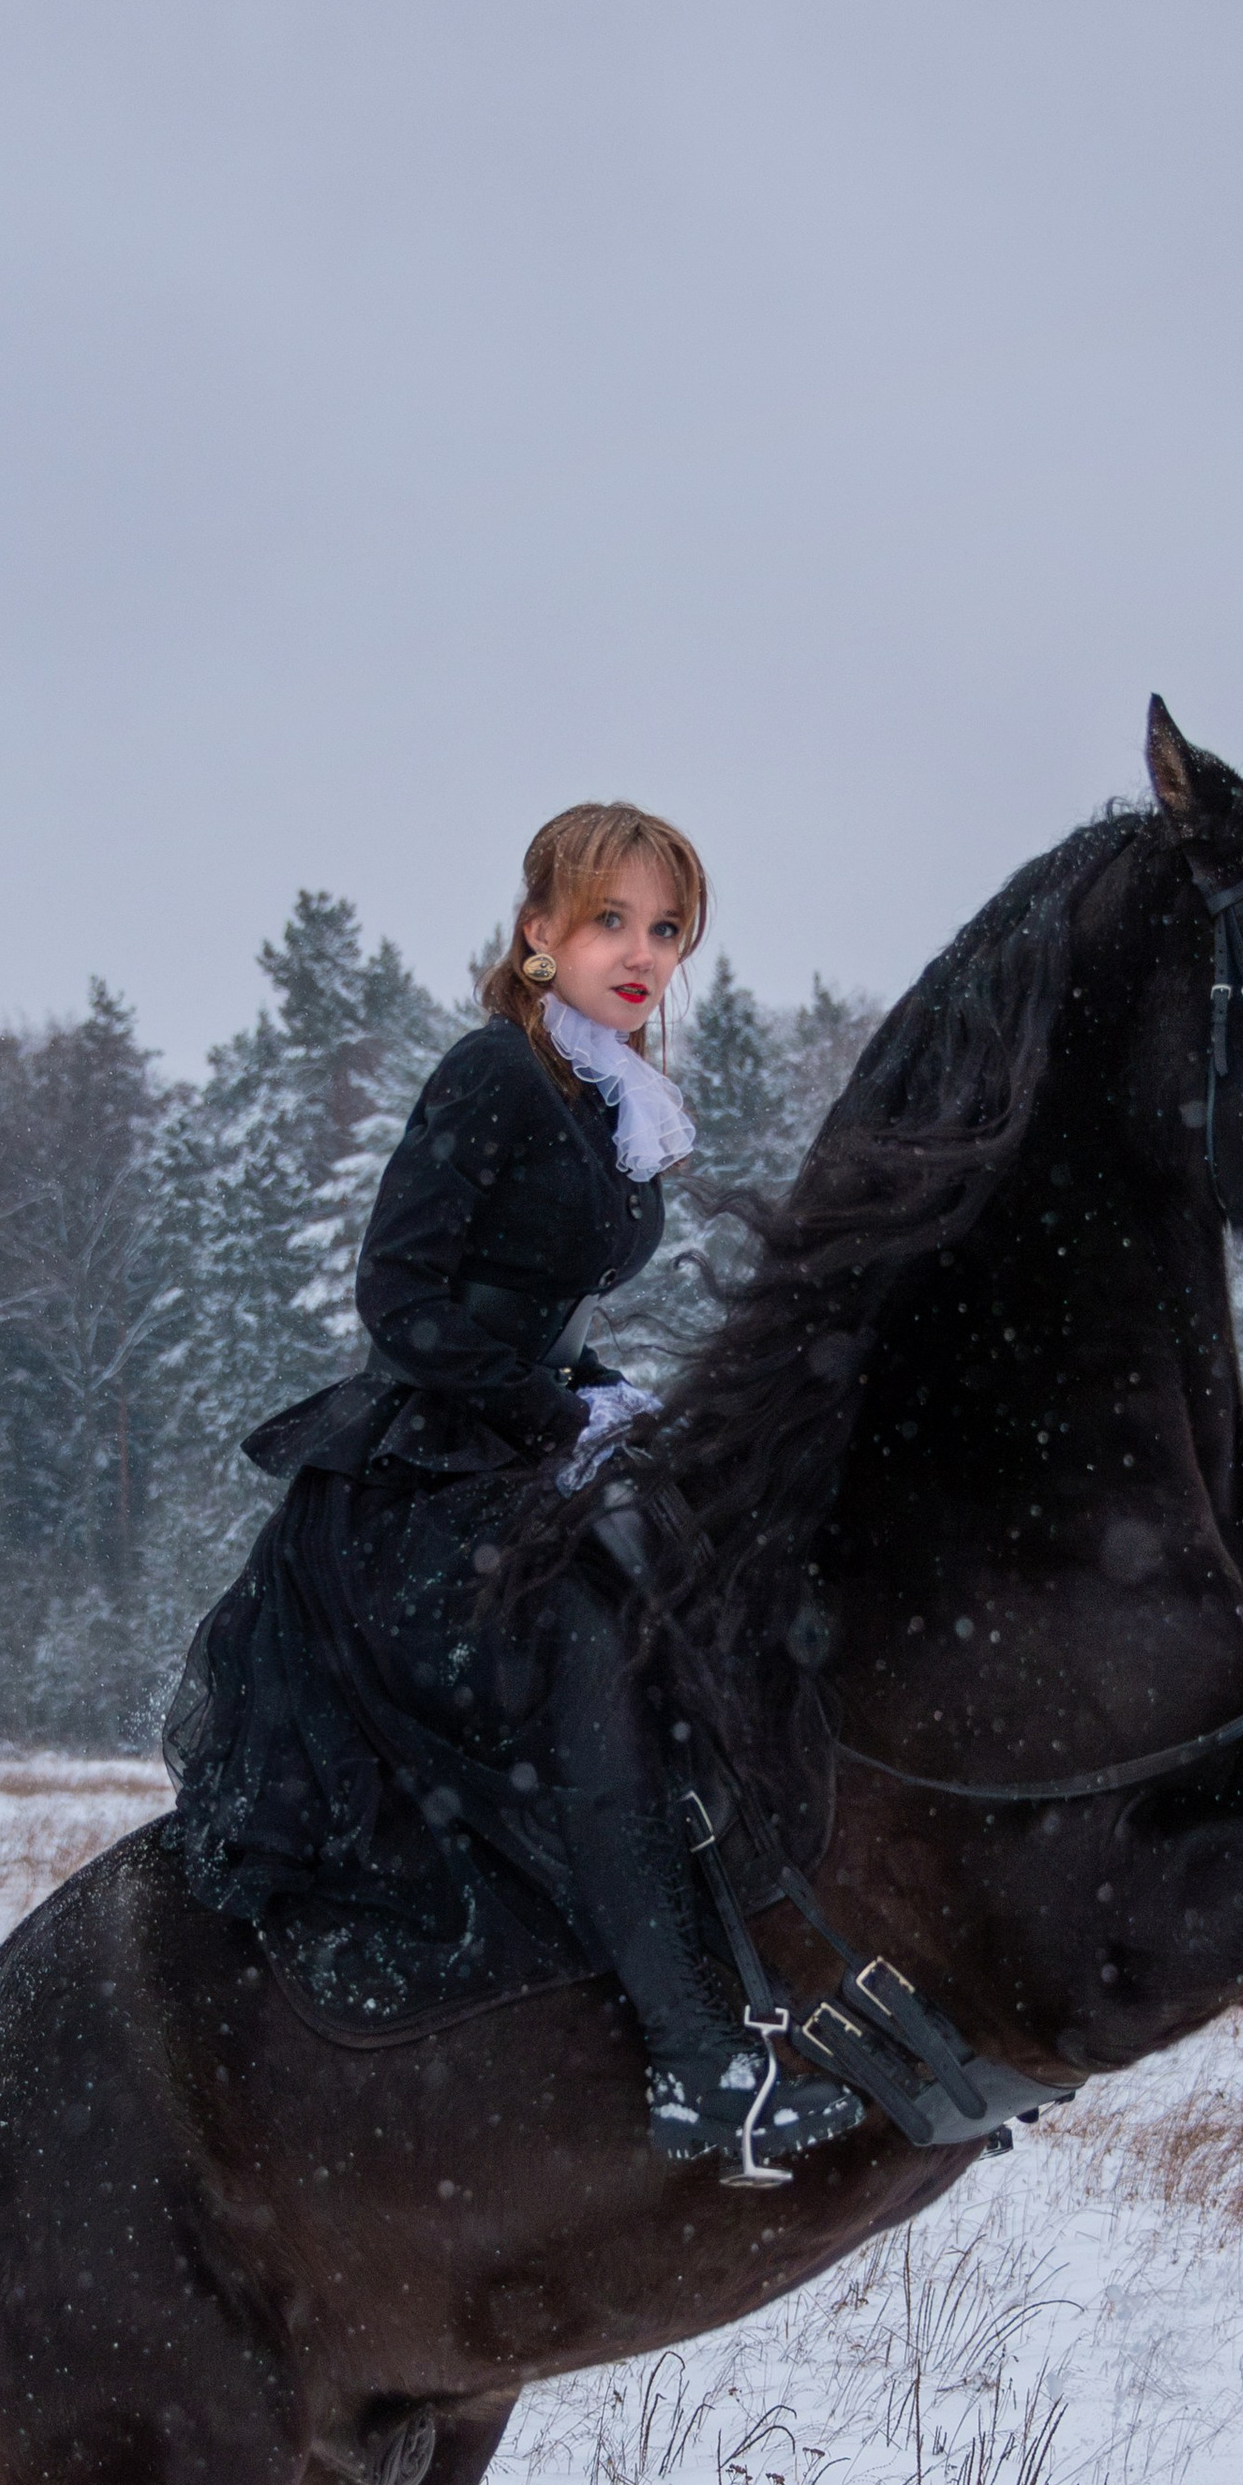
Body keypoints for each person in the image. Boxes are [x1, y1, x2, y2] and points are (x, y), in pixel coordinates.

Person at [164, 801, 863, 2180]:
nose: (643, 950)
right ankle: (693, 2062)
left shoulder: (604, 1091)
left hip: (521, 1438)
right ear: (538, 931)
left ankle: (785, 1956)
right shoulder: (495, 1075)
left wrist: (596, 1389)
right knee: (593, 1657)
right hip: (419, 1480)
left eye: (667, 928)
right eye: (611, 919)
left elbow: (535, 1297)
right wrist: (550, 1400)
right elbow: (401, 1301)